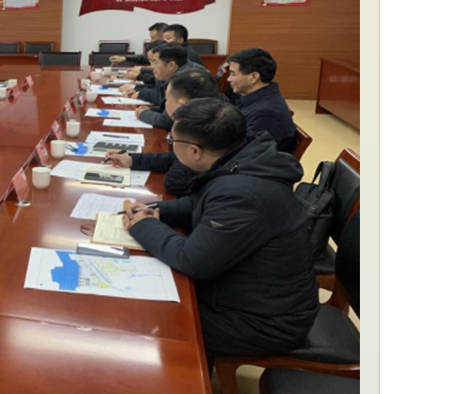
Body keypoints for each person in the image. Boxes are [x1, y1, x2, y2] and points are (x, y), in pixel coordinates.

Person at [124, 98, 318, 358]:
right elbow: (200, 202)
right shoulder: (242, 158)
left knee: (142, 316)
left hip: (263, 321)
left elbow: (192, 260)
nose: (171, 145)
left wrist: (144, 225)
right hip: (244, 292)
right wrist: (157, 210)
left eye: (172, 141)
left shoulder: (243, 194)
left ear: (194, 151)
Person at [105, 70, 218, 197]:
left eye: (167, 99)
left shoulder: (202, 130)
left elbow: (175, 183)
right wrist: (132, 160)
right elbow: (176, 158)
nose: (165, 104)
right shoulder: (211, 115)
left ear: (181, 104)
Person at [226, 48, 297, 152]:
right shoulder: (255, 98)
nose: (228, 79)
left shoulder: (267, 114)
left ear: (254, 77)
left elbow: (246, 152)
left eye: (233, 74)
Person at [121, 44, 207, 129]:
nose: (151, 67)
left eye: (155, 62)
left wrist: (142, 114)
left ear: (171, 65)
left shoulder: (185, 80)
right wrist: (149, 110)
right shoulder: (183, 71)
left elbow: (167, 121)